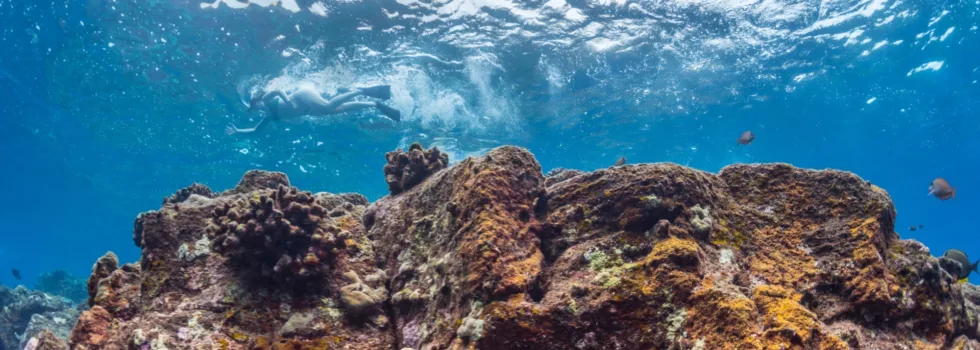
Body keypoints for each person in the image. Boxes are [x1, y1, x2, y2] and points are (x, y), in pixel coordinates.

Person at [226, 84, 401, 135]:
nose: (254, 109)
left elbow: (279, 90)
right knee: (335, 110)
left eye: (253, 106)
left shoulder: (266, 99)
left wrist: (288, 101)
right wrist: (237, 130)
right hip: (308, 108)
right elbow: (256, 130)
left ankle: (361, 90)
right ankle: (375, 104)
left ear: (255, 102)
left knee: (327, 106)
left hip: (302, 95)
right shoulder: (270, 116)